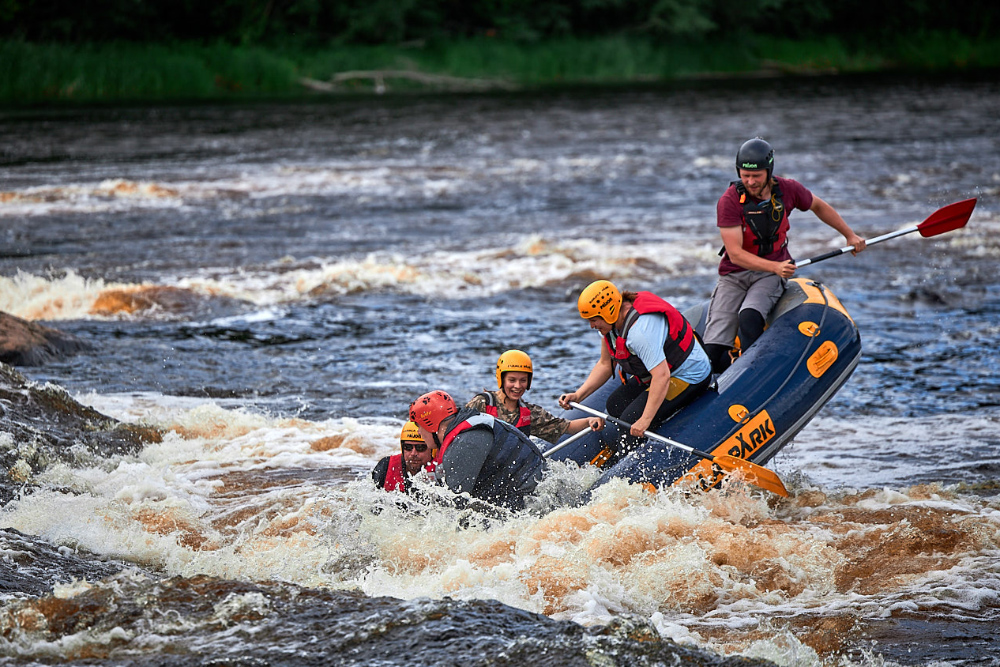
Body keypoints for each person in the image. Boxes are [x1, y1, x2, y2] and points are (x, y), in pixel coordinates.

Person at [702, 137, 866, 372]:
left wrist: (849, 235)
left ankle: (755, 373)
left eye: (756, 175)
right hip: (735, 275)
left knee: (749, 317)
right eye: (744, 175)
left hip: (769, 275)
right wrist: (776, 268)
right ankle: (730, 374)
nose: (750, 181)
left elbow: (818, 206)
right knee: (712, 351)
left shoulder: (788, 190)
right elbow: (735, 255)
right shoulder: (729, 201)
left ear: (769, 171)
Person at [558, 280, 711, 455]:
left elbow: (662, 376)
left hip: (688, 375)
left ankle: (634, 467)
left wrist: (645, 420)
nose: (592, 326)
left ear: (608, 313)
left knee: (631, 420)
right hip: (658, 373)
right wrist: (578, 395)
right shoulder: (611, 326)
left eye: (594, 320)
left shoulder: (640, 333)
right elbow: (605, 364)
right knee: (615, 405)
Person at [409, 389, 545, 512]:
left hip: (532, 499)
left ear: (431, 425)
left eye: (419, 426)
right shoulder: (469, 427)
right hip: (531, 487)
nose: (419, 432)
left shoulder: (464, 443)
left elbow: (455, 507)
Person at [465, 349, 603, 445]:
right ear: (501, 379)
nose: (518, 386)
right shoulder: (482, 403)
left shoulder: (530, 413)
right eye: (512, 380)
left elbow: (565, 427)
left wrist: (589, 421)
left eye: (523, 380)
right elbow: (456, 432)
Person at [371, 421, 437, 493]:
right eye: (408, 447)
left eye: (420, 447)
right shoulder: (386, 466)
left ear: (432, 450)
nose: (413, 453)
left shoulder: (440, 470)